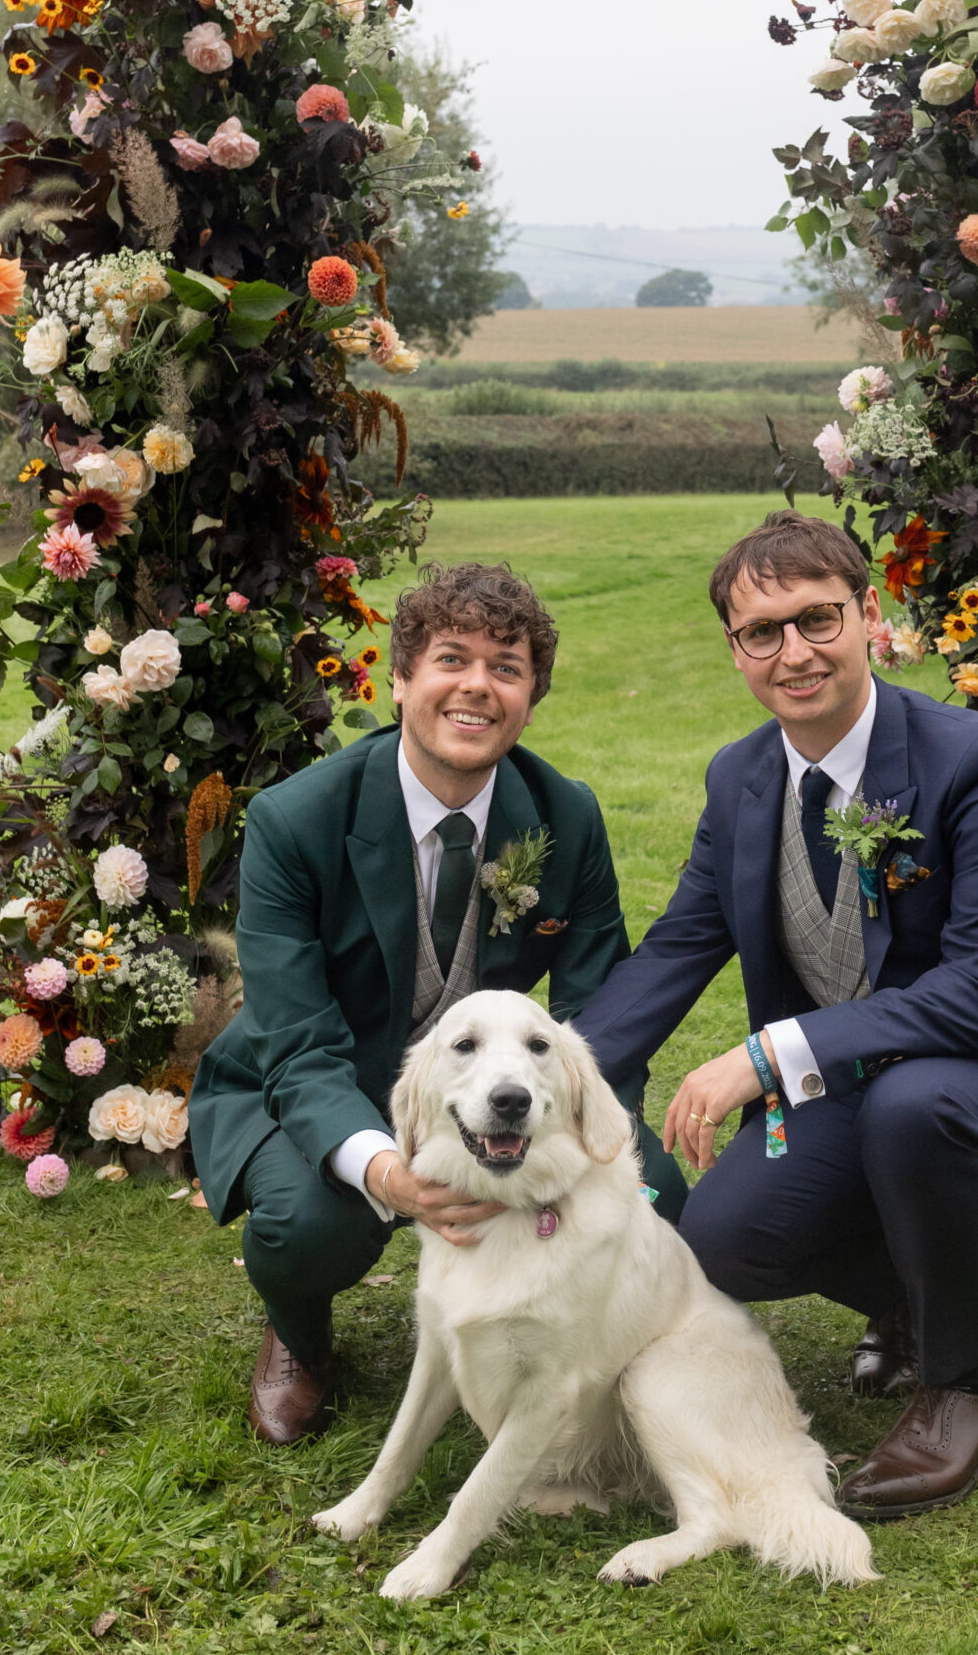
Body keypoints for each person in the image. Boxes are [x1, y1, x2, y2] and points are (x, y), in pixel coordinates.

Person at [574, 510, 978, 1518]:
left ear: (869, 614)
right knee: (723, 1237)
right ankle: (915, 1300)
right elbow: (678, 944)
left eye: (816, 619)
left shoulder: (975, 761)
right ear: (736, 649)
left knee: (916, 1107)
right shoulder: (741, 777)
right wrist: (557, 1077)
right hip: (868, 1072)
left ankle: (961, 1389)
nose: (793, 652)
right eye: (763, 631)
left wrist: (768, 1052)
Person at [189, 560, 683, 1445]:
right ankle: (300, 1336)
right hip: (307, 1074)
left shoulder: (564, 816)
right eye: (452, 657)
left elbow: (599, 1013)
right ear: (400, 677)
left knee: (657, 1188)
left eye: (507, 666)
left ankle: (570, 1342)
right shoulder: (293, 820)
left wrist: (590, 1142)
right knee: (309, 1227)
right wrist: (387, 1170)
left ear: (532, 697)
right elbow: (295, 1038)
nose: (478, 687)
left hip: (488, 1084)